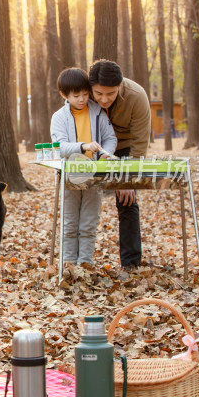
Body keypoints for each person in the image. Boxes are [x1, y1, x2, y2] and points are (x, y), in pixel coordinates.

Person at [87, 59, 151, 269]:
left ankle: (131, 263)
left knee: (127, 201)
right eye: (98, 94)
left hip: (126, 148)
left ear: (120, 86)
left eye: (110, 94)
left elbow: (140, 142)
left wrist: (128, 179)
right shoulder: (83, 92)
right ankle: (80, 262)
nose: (104, 99)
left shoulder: (137, 96)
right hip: (93, 145)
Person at [50, 68, 117, 265]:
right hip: (70, 177)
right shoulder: (59, 117)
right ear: (64, 95)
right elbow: (59, 147)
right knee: (70, 224)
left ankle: (85, 264)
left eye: (86, 94)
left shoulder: (98, 112)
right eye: (76, 95)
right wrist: (83, 146)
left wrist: (106, 153)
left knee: (88, 223)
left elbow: (110, 138)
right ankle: (68, 266)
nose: (82, 99)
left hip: (94, 176)